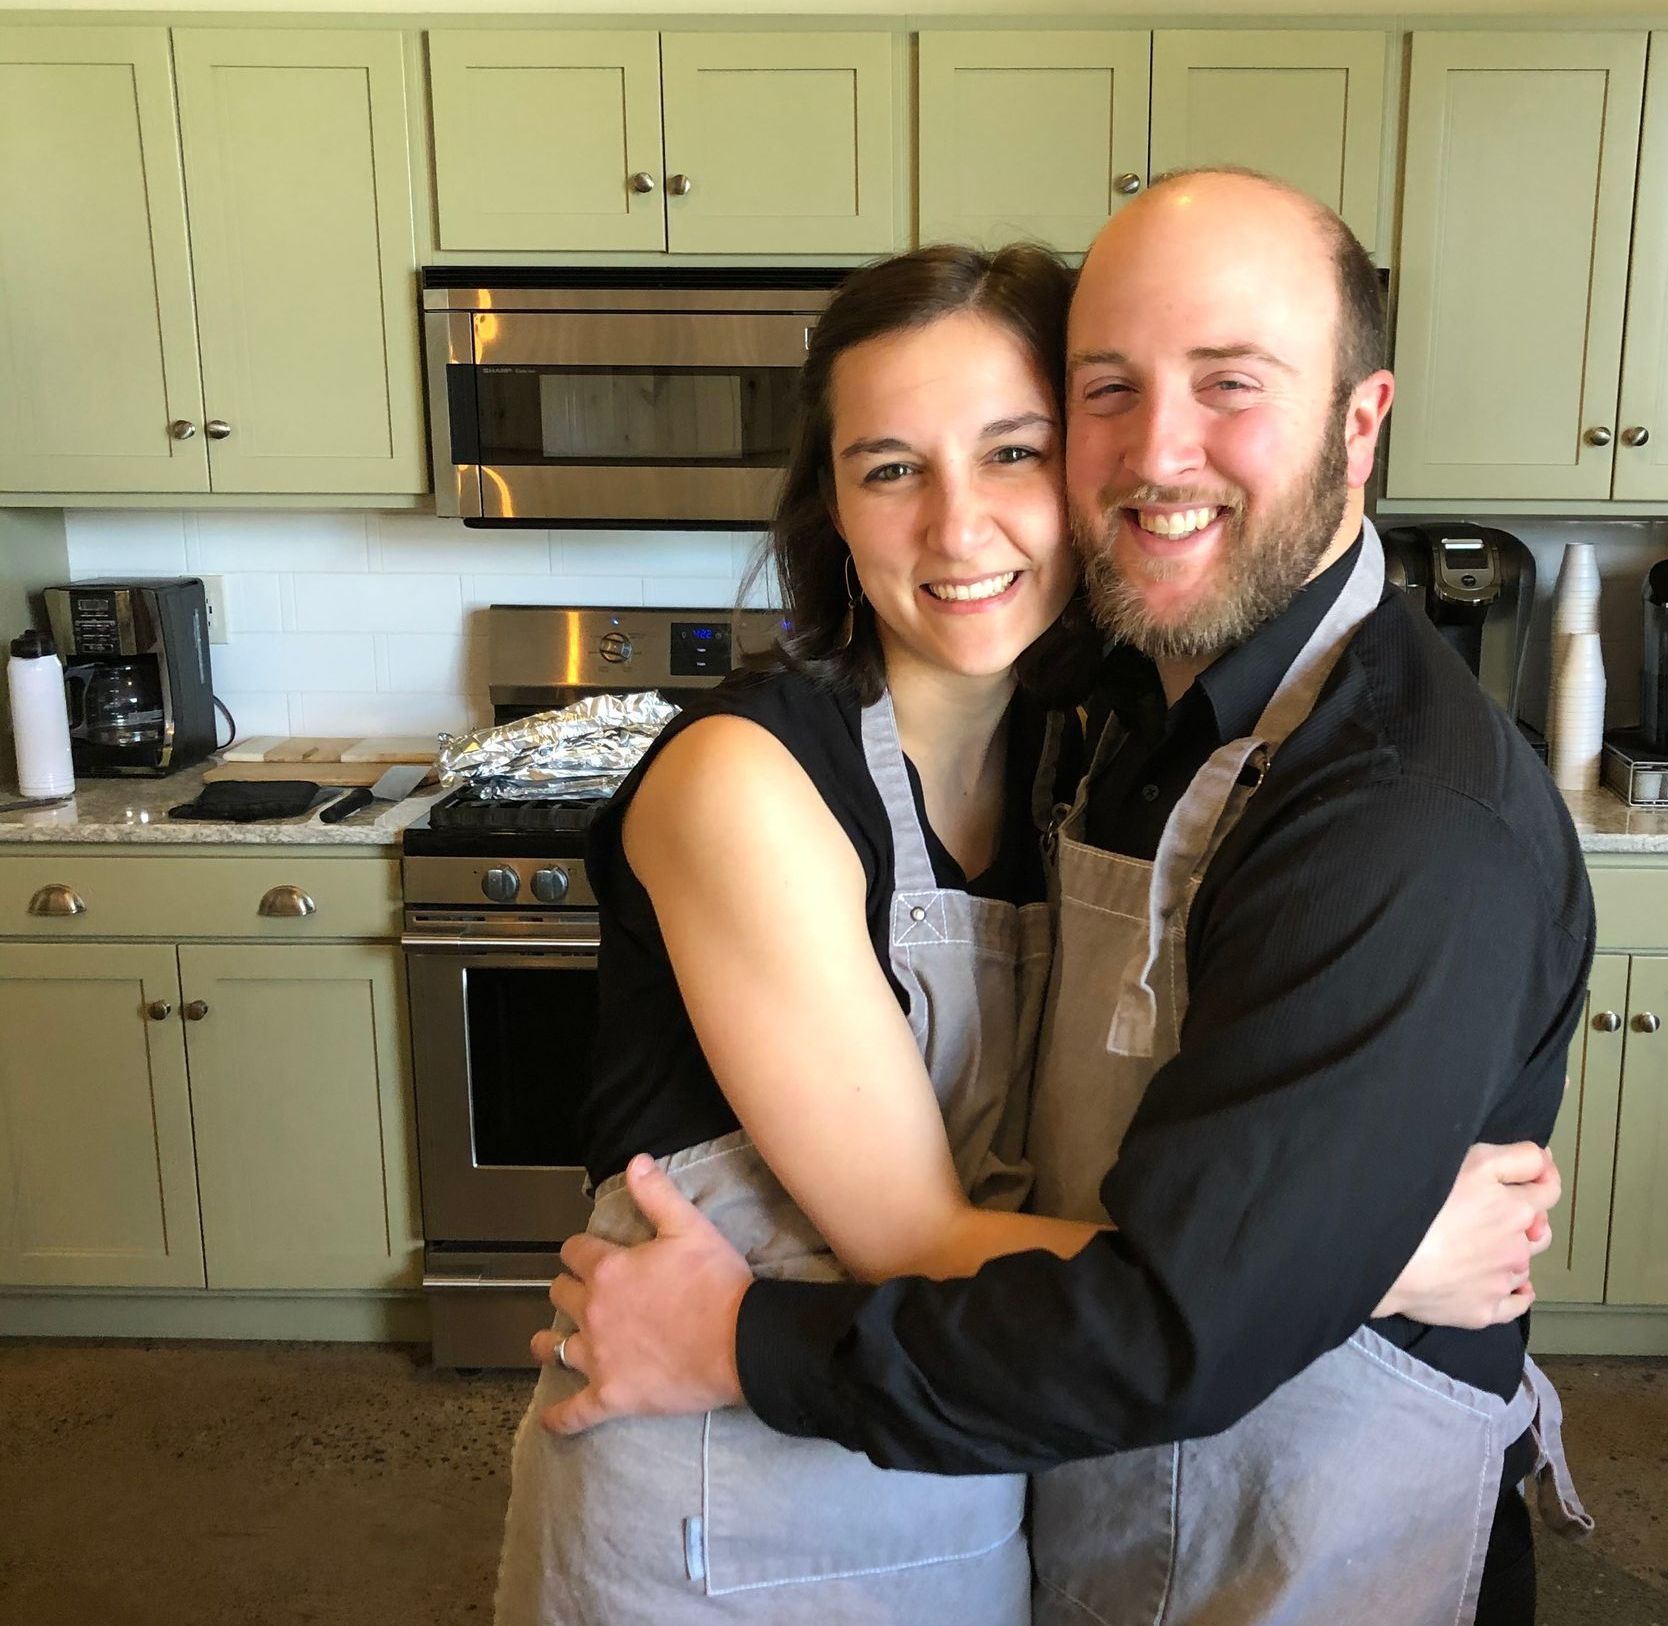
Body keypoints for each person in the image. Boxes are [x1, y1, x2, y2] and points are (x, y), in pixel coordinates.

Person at [529, 170, 1596, 1626]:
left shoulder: (1354, 807)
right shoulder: (809, 777)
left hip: (1011, 1511)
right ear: (832, 504)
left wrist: (1289, 1264)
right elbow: (925, 1231)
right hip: (730, 1515)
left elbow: (1174, 1303)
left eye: (1012, 448)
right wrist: (1369, 1253)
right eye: (891, 467)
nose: (961, 527)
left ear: (1362, 419)